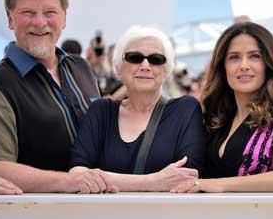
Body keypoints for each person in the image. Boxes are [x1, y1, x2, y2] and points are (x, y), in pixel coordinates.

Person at [0, 0, 115, 193]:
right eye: (28, 12)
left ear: (64, 18)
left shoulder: (81, 68)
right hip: (40, 212)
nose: (39, 22)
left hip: (99, 206)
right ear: (10, 19)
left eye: (50, 12)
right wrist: (68, 182)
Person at [171, 22, 273, 193]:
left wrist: (218, 184)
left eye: (254, 56)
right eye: (234, 57)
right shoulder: (215, 117)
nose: (244, 65)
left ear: (268, 63)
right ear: (222, 66)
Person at [69, 26, 206, 192]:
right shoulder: (100, 111)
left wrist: (103, 178)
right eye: (135, 58)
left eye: (156, 59)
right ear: (118, 67)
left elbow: (186, 178)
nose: (145, 65)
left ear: (166, 69)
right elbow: (77, 175)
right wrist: (153, 182)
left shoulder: (185, 110)